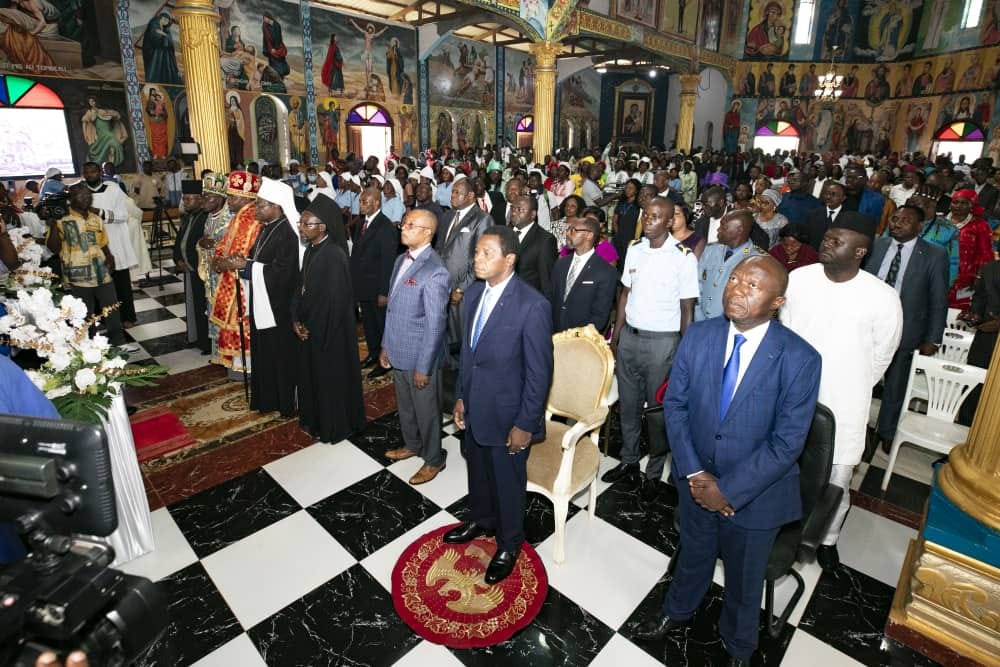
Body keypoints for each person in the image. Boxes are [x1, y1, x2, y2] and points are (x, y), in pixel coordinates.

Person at [635, 255, 820, 666]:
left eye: (753, 285)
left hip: (756, 495)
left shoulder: (800, 358)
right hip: (696, 479)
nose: (737, 288)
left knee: (743, 578)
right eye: (734, 279)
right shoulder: (699, 335)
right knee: (694, 554)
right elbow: (676, 406)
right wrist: (697, 473)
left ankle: (739, 646)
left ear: (777, 302)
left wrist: (727, 490)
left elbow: (787, 443)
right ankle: (677, 611)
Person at [782, 211, 903, 571]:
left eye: (838, 240)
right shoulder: (799, 279)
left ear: (860, 251)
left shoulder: (882, 297)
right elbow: (785, 330)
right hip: (793, 394)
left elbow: (884, 354)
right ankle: (784, 529)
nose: (827, 242)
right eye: (828, 236)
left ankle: (828, 539)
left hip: (845, 401)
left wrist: (851, 381)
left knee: (837, 477)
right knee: (787, 468)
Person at [445, 225, 554, 585]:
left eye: (486, 253)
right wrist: (461, 396)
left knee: (508, 482)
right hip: (475, 406)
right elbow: (469, 356)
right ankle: (482, 519)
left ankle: (509, 542)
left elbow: (539, 374)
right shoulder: (475, 294)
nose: (477, 259)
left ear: (509, 260)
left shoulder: (532, 305)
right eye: (476, 252)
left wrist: (525, 423)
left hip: (509, 415)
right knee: (477, 469)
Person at [603, 197, 699, 488]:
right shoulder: (634, 250)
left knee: (658, 413)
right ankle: (629, 461)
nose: (648, 219)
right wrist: (616, 336)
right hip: (630, 338)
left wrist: (683, 352)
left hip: (663, 345)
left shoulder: (683, 257)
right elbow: (624, 296)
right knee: (629, 407)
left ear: (670, 221)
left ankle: (654, 474)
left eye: (656, 216)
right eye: (646, 214)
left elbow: (687, 310)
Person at [864, 205, 949, 452]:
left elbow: (938, 299)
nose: (897, 224)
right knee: (860, 377)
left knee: (896, 385)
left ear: (919, 226)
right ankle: (855, 424)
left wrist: (933, 337)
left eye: (905, 220)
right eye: (895, 218)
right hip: (868, 325)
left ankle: (887, 431)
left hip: (906, 329)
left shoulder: (934, 254)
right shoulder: (877, 245)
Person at [379, 209, 451, 484]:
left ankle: (434, 458)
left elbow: (435, 325)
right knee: (406, 406)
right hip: (398, 348)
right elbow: (393, 311)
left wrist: (424, 367)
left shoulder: (435, 271)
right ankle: (412, 444)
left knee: (427, 411)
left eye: (411, 225)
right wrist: (386, 345)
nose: (403, 228)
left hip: (421, 357)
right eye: (404, 223)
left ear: (427, 233)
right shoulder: (401, 260)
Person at [220, 178, 300, 416]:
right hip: (262, 302)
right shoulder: (266, 228)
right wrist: (243, 265)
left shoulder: (288, 233)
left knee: (281, 356)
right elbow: (258, 262)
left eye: (261, 205)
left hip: (280, 308)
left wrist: (248, 266)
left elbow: (283, 273)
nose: (255, 210)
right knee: (265, 355)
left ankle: (285, 402)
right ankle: (268, 399)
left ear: (277, 207)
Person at [292, 190, 366, 443]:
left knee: (329, 382)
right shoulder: (312, 249)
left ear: (323, 227)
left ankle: (333, 426)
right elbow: (300, 288)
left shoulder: (333, 255)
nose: (302, 228)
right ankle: (314, 420)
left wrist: (313, 327)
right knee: (312, 380)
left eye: (306, 223)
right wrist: (296, 320)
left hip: (328, 334)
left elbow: (335, 304)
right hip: (310, 328)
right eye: (300, 222)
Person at [44, 184, 131, 349]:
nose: (85, 198)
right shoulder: (62, 219)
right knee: (84, 311)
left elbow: (103, 241)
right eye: (80, 195)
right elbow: (53, 248)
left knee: (111, 305)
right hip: (77, 273)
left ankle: (118, 342)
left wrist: (110, 256)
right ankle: (88, 345)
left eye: (87, 195)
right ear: (71, 198)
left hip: (100, 269)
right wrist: (53, 226)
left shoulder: (95, 218)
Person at [436, 177, 491, 366]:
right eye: (452, 191)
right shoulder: (448, 216)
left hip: (463, 292)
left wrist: (461, 289)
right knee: (443, 337)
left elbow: (482, 258)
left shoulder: (482, 219)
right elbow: (440, 249)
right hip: (442, 285)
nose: (452, 196)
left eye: (457, 192)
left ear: (470, 196)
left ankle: (463, 386)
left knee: (462, 340)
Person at [210, 170, 261, 375]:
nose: (228, 200)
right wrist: (218, 259)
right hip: (231, 277)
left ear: (246, 196)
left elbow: (244, 252)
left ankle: (248, 368)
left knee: (242, 322)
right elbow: (224, 244)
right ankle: (240, 367)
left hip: (243, 282)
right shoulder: (238, 216)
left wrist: (225, 263)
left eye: (232, 196)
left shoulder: (253, 217)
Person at [81, 161, 137, 329]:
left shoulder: (112, 189)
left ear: (99, 172)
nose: (90, 175)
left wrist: (99, 212)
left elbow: (123, 215)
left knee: (121, 285)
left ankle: (127, 317)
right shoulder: (80, 193)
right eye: (87, 172)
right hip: (93, 246)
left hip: (115, 244)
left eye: (93, 171)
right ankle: (104, 319)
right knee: (99, 286)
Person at [351, 188, 399, 379]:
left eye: (365, 202)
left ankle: (384, 361)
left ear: (376, 203)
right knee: (369, 324)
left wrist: (384, 292)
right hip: (363, 285)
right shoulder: (362, 223)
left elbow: (388, 262)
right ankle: (372, 353)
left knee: (381, 326)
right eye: (361, 201)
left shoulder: (385, 226)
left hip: (377, 287)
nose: (361, 205)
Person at [547, 214, 618, 333]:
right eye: (568, 229)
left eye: (573, 230)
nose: (567, 233)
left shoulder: (605, 271)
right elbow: (550, 297)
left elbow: (600, 315)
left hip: (582, 340)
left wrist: (580, 337)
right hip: (555, 333)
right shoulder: (561, 264)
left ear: (589, 235)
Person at [697, 210, 764, 321]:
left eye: (724, 227)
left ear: (739, 230)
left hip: (730, 323)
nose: (718, 229)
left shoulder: (756, 260)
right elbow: (698, 283)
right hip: (700, 319)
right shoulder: (710, 250)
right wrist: (697, 312)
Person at [173, 179, 210, 353]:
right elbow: (180, 241)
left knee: (203, 308)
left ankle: (207, 343)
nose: (185, 202)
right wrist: (178, 259)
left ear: (201, 199)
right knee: (193, 307)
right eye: (184, 198)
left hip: (201, 272)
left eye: (189, 199)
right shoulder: (189, 217)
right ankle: (196, 338)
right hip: (188, 270)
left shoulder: (206, 218)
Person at [947, 189, 994, 309]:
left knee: (956, 312)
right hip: (938, 273)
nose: (958, 206)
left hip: (966, 278)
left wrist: (979, 278)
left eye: (964, 203)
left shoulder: (980, 225)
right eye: (955, 202)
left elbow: (986, 255)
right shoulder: (940, 222)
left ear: (972, 205)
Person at [509, 195, 557, 294]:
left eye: (520, 209)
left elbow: (546, 280)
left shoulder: (545, 240)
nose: (514, 212)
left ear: (532, 214)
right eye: (512, 208)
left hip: (526, 299)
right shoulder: (504, 233)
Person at [803, 181, 846, 252]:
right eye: (827, 193)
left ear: (843, 198)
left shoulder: (848, 217)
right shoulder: (813, 214)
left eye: (833, 194)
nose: (828, 197)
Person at [141, 12, 181, 85]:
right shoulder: (154, 23)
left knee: (166, 65)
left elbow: (166, 31)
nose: (166, 22)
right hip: (154, 50)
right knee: (155, 65)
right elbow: (154, 32)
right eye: (165, 20)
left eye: (168, 21)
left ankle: (167, 79)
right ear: (162, 18)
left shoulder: (165, 26)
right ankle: (154, 80)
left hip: (162, 51)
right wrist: (164, 35)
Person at [261, 12, 290, 78]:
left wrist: (275, 48)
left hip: (277, 47)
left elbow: (278, 37)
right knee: (271, 62)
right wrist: (267, 48)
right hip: (269, 47)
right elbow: (265, 38)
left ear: (269, 17)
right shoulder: (265, 26)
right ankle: (273, 76)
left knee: (279, 61)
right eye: (264, 19)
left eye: (265, 18)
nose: (264, 20)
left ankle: (281, 75)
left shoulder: (277, 25)